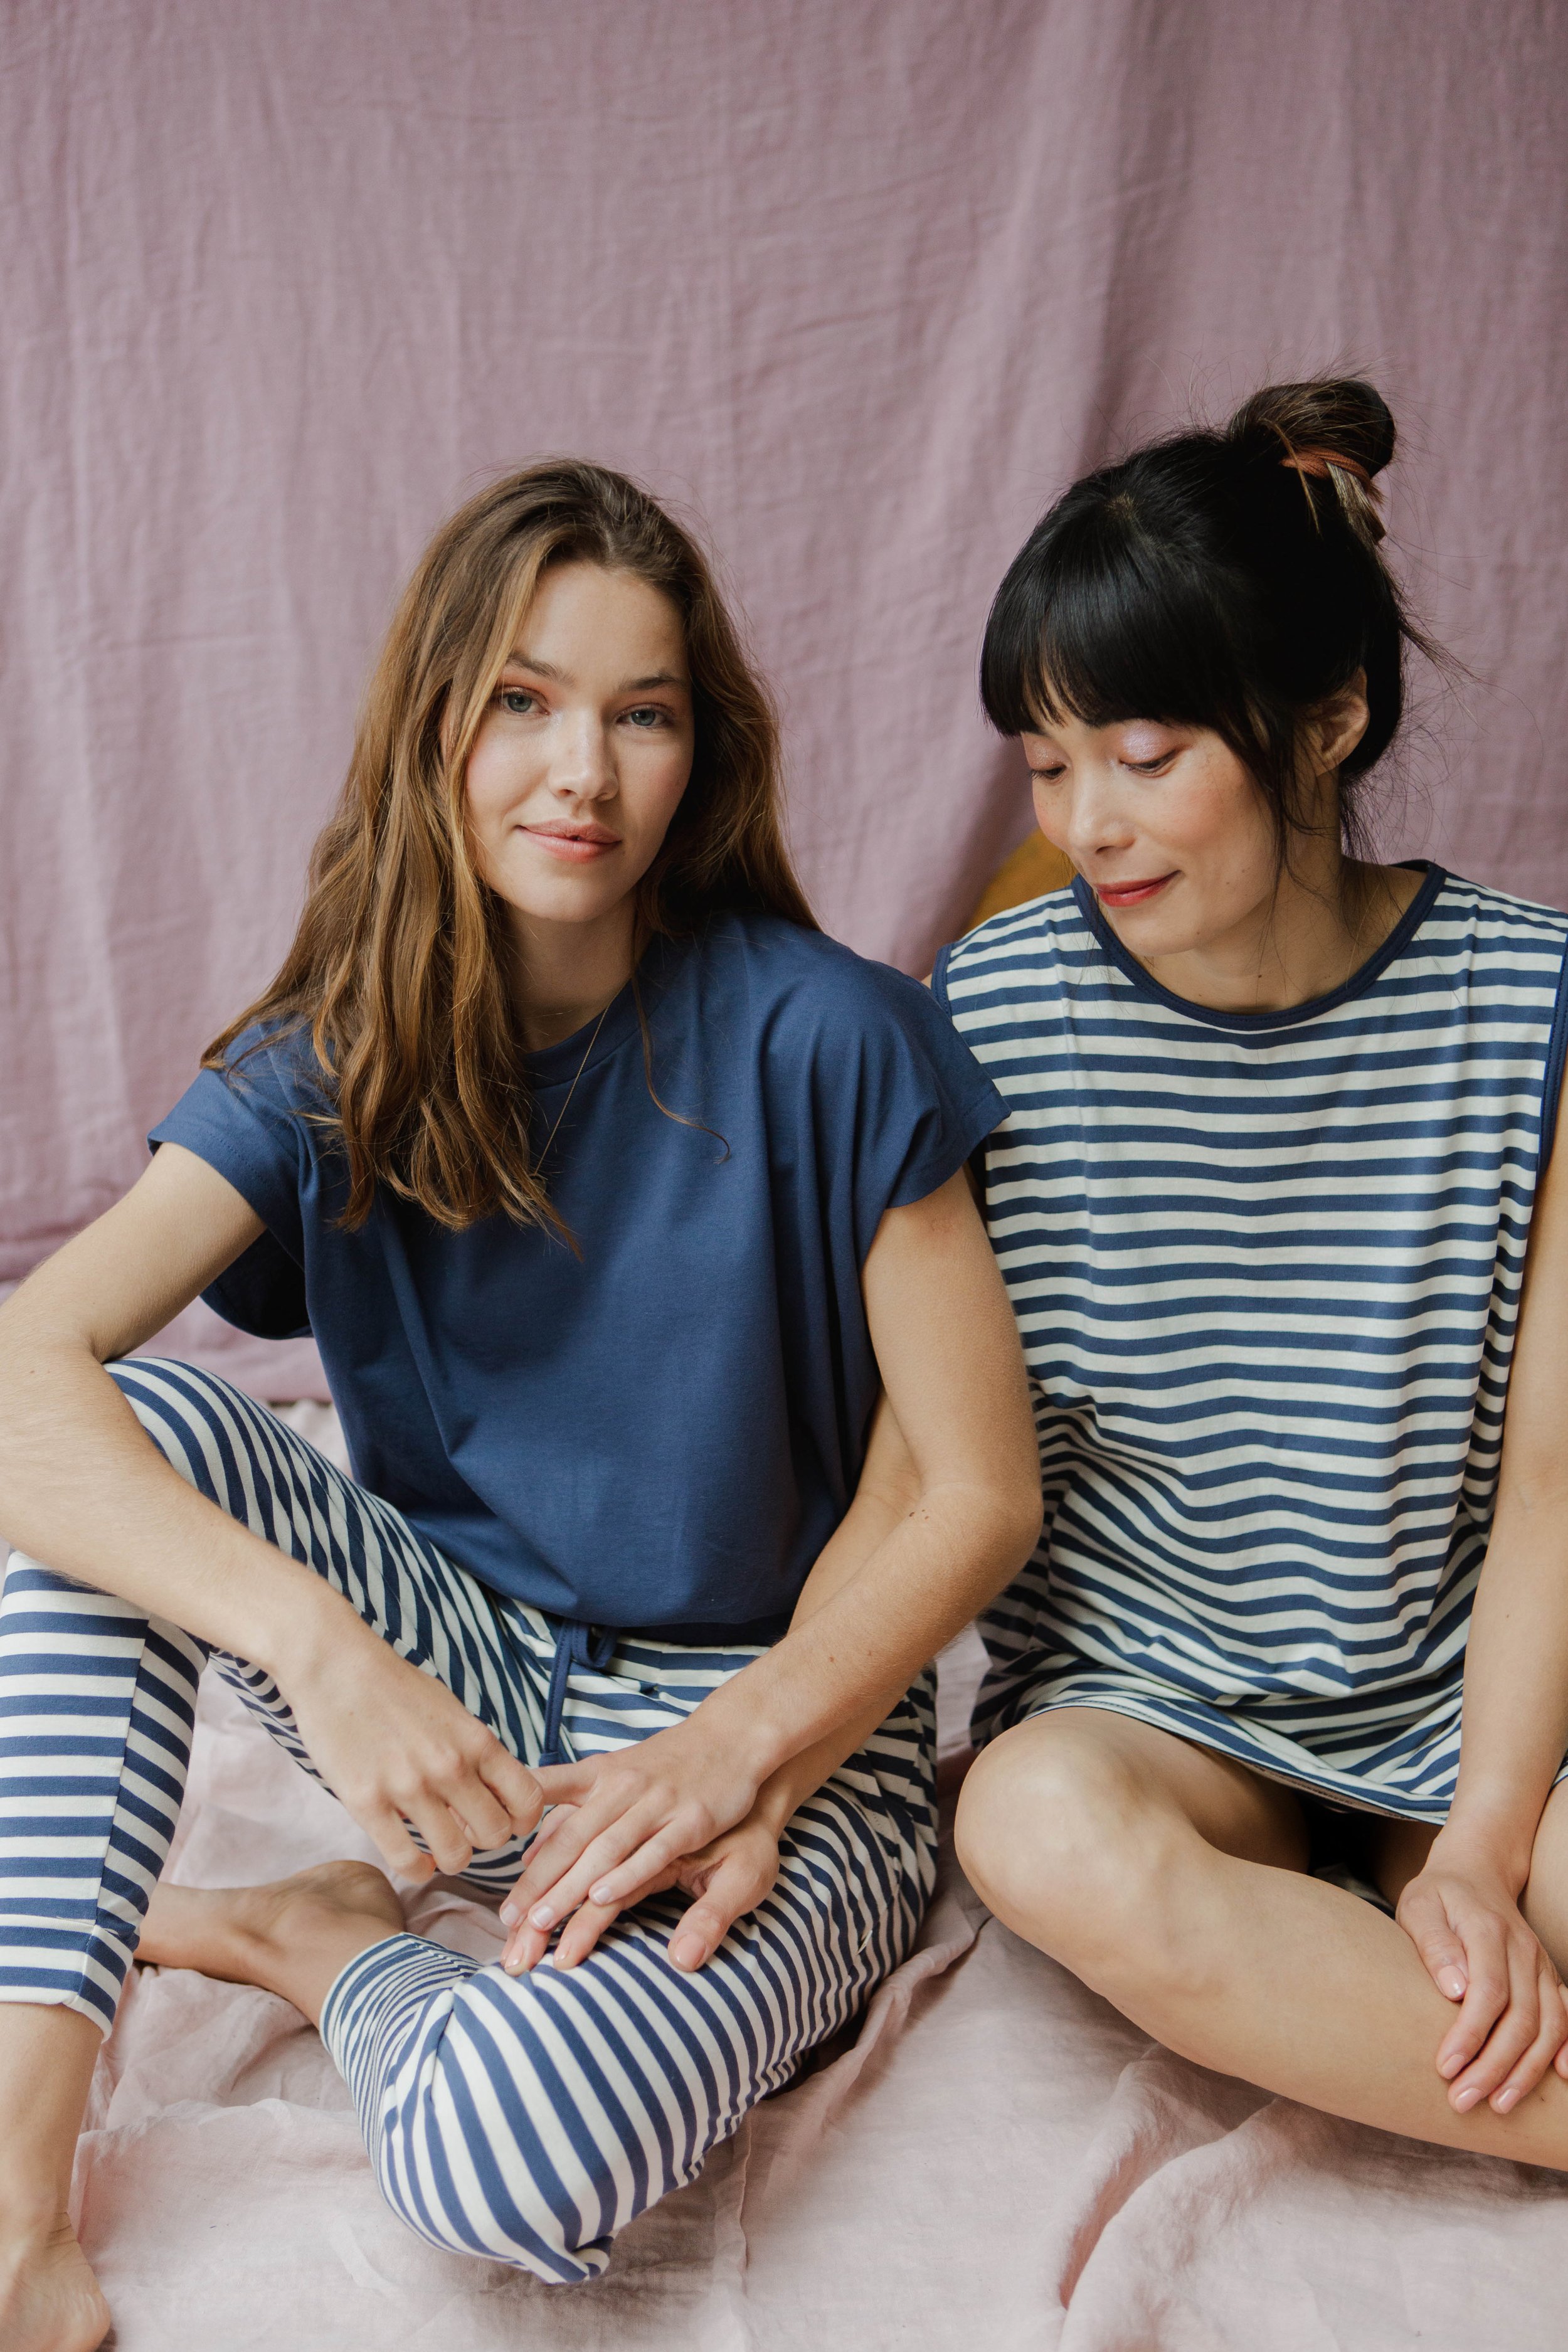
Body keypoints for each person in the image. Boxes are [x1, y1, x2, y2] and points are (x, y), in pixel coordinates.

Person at [0, 460, 1042, 2349]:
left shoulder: (835, 1033)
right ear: (436, 726)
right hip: (462, 1694)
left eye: (640, 715)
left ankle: (327, 1952)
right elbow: (19, 1376)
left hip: (781, 1743)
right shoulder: (338, 1047)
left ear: (697, 754)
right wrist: (314, 1647)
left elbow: (979, 1492)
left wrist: (756, 1751)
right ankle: (13, 2209)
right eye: (523, 701)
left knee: (509, 2163)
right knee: (99, 1437)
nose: (582, 772)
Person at [934, 379, 1568, 2168]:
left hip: (1472, 1682)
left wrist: (1479, 1846)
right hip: (1151, 1692)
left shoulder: (1529, 1004)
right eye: (1047, 766)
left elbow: (1552, 1475)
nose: (1088, 826)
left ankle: (1390, 1920)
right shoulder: (986, 1013)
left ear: (1327, 723)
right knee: (1027, 1825)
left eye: (1143, 758)